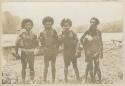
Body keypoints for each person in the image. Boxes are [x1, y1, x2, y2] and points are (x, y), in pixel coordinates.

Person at [80, 17, 103, 83]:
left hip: (96, 52)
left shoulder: (98, 32)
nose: (92, 23)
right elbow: (81, 40)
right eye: (91, 22)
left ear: (96, 24)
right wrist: (85, 43)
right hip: (89, 52)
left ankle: (100, 81)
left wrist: (101, 52)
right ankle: (89, 79)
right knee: (89, 67)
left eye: (94, 22)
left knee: (97, 66)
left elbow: (101, 43)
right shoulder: (87, 32)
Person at [16, 18, 38, 83]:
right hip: (24, 53)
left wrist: (36, 50)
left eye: (30, 25)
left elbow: (37, 44)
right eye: (27, 25)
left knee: (32, 67)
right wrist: (17, 52)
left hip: (31, 53)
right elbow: (16, 43)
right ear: (24, 26)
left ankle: (32, 79)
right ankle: (23, 80)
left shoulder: (34, 35)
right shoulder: (21, 34)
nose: (28, 26)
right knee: (23, 67)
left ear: (32, 26)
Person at [59, 18, 80, 82]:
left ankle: (78, 78)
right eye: (64, 25)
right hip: (65, 52)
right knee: (66, 66)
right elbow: (59, 43)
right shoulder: (61, 34)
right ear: (62, 26)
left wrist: (77, 51)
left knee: (75, 65)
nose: (66, 27)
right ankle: (65, 79)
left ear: (70, 25)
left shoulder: (73, 33)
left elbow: (78, 42)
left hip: (73, 51)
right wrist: (61, 46)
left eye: (67, 25)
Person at [39, 16, 59, 83]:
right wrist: (42, 48)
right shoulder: (42, 32)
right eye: (47, 24)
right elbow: (40, 42)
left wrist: (57, 51)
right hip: (46, 51)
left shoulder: (54, 31)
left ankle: (53, 79)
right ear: (44, 24)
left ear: (52, 24)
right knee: (46, 66)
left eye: (50, 24)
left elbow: (57, 41)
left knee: (53, 66)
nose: (48, 25)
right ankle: (44, 79)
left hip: (53, 51)